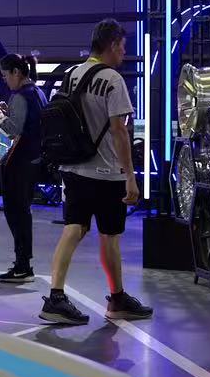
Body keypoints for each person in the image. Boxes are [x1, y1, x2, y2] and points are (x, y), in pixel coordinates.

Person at [40, 19, 151, 324]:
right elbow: (120, 132)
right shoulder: (113, 80)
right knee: (110, 236)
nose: (124, 53)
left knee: (73, 228)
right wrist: (131, 176)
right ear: (112, 45)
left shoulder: (71, 75)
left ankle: (56, 297)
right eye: (123, 47)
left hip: (73, 166)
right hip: (106, 172)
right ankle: (117, 299)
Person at [0, 54, 47, 281]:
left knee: (15, 212)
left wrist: (0, 117)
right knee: (23, 211)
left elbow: (13, 130)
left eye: (5, 75)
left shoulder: (21, 95)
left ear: (16, 72)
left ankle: (22, 264)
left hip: (18, 161)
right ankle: (23, 263)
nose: (5, 80)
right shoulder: (38, 92)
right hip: (33, 159)